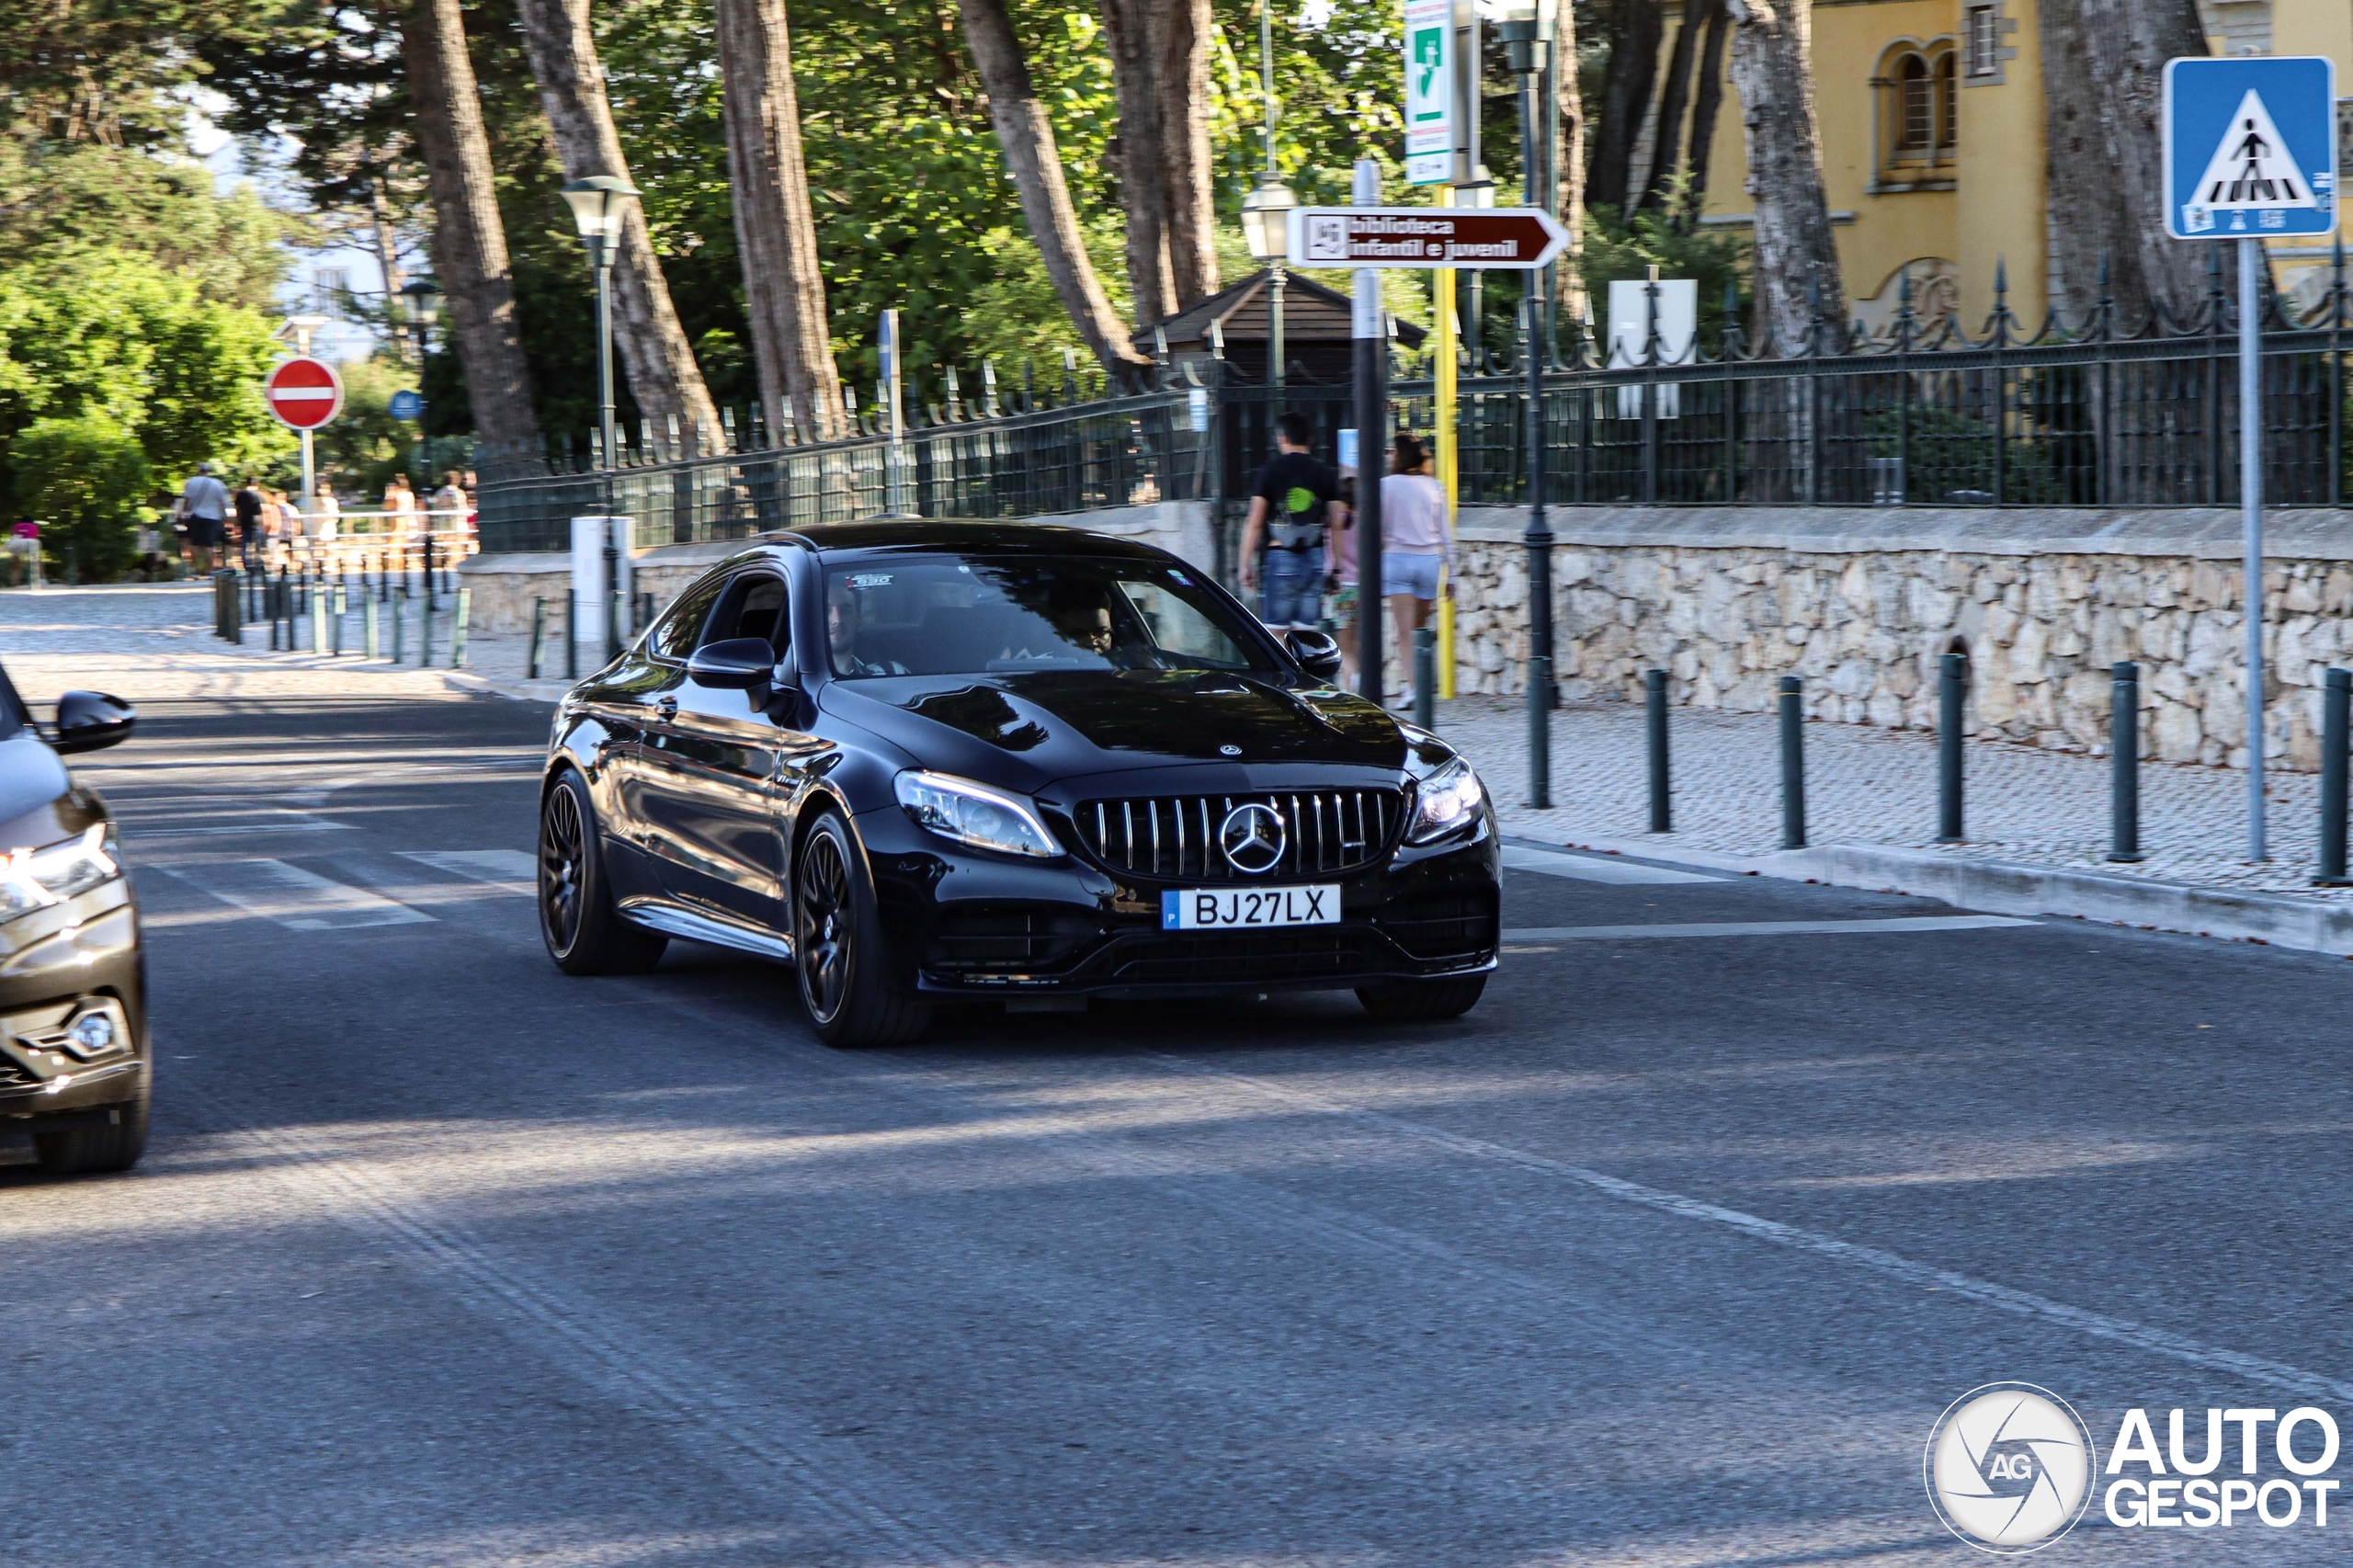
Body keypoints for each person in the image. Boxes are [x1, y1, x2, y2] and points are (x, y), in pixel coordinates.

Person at [1238, 412, 1341, 633]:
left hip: (1280, 556)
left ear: (1282, 438)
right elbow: (1337, 523)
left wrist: (1244, 562)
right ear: (1311, 440)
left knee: (1277, 635)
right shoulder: (1325, 473)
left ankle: (1286, 669)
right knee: (1307, 635)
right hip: (1315, 558)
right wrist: (1336, 566)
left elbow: (1255, 521)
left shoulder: (1269, 472)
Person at [1378, 431, 1452, 711]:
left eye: (1391, 450)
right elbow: (1446, 533)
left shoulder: (1385, 485)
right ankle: (1420, 684)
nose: (1388, 455)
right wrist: (1452, 573)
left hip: (1397, 560)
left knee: (1405, 632)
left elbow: (1380, 529)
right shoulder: (1435, 487)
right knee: (1420, 630)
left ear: (1399, 455)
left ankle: (1414, 688)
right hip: (1429, 562)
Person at [179, 461, 229, 574]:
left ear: (199, 470)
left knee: (195, 543)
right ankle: (210, 569)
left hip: (196, 516)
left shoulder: (191, 482)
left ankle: (196, 568)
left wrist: (184, 513)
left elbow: (186, 500)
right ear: (209, 471)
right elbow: (222, 503)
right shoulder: (218, 484)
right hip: (213, 517)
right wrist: (224, 517)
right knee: (209, 544)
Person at [233, 476, 265, 571]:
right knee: (257, 545)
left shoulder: (241, 494)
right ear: (257, 483)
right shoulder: (259, 494)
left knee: (245, 545)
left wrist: (237, 521)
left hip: (244, 520)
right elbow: (262, 510)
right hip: (256, 521)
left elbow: (237, 509)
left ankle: (246, 564)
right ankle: (257, 563)